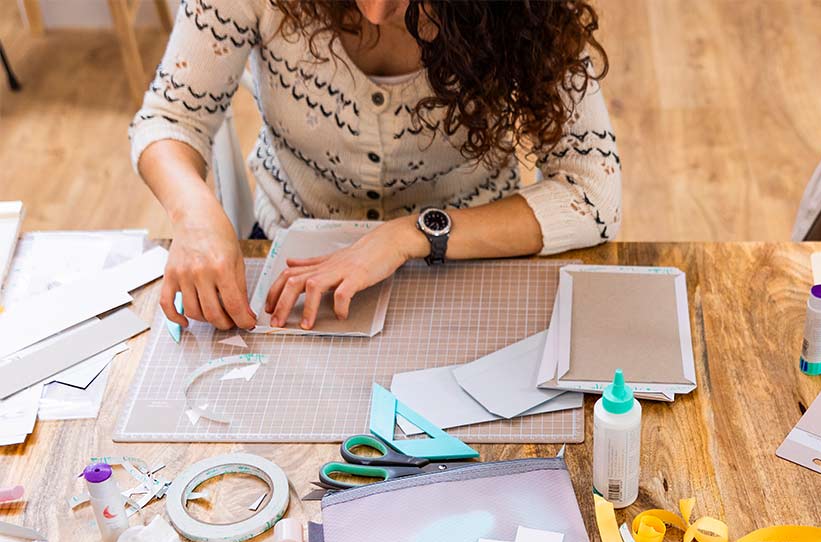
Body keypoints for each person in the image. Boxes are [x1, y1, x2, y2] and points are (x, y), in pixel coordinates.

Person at [131, 0, 620, 331]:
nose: (374, 11)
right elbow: (169, 118)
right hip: (291, 252)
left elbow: (593, 192)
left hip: (472, 260)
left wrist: (411, 235)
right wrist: (194, 217)